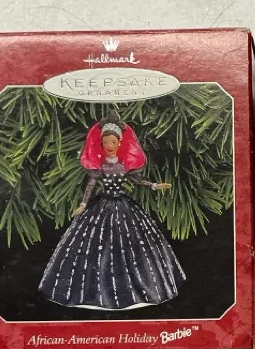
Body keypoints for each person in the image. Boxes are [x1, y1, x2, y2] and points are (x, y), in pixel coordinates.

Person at [39, 114, 184, 310]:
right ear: (101, 144)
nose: (109, 145)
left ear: (119, 143)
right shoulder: (100, 168)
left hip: (124, 206)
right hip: (102, 205)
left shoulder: (123, 166)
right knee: (96, 244)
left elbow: (137, 181)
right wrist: (83, 204)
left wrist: (154, 185)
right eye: (106, 142)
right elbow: (90, 186)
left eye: (113, 142)